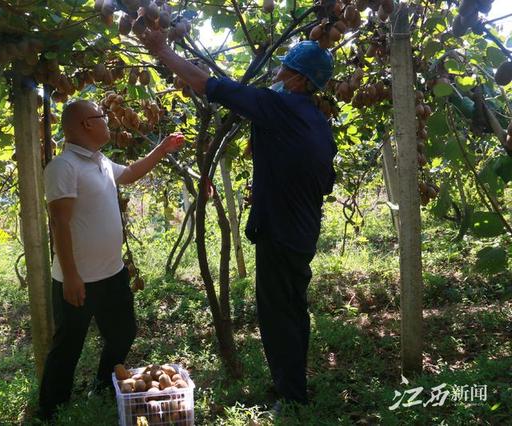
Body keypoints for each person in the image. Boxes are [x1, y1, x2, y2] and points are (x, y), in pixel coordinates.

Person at [140, 31, 336, 408]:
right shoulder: (317, 121)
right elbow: (325, 181)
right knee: (294, 309)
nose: (278, 71)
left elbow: (208, 84)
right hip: (303, 231)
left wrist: (163, 50)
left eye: (286, 66)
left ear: (298, 78)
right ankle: (293, 381)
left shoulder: (278, 109)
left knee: (278, 315)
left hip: (280, 232)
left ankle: (292, 397)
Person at [38, 99, 184, 420]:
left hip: (112, 273)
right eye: (101, 116)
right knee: (68, 346)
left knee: (123, 332)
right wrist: (72, 276)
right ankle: (50, 409)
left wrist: (161, 150)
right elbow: (60, 224)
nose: (107, 121)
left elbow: (129, 173)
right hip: (79, 278)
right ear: (86, 125)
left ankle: (104, 383)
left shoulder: (99, 160)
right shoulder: (63, 168)